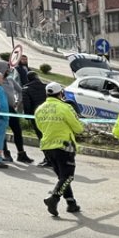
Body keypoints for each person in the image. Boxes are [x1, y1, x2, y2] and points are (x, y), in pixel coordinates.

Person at [34, 82, 84, 215]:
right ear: (60, 93)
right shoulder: (65, 107)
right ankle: (53, 198)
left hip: (47, 146)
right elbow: (78, 128)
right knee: (68, 176)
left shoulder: (40, 109)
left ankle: (71, 203)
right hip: (64, 146)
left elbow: (39, 127)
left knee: (63, 177)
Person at [0, 60, 33, 163]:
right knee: (2, 131)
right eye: (6, 68)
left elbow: (21, 90)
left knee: (17, 130)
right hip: (0, 110)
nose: (8, 70)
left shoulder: (10, 80)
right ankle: (5, 153)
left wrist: (18, 100)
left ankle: (21, 153)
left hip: (11, 109)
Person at [22, 72, 51, 166]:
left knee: (42, 138)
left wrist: (27, 116)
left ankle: (48, 159)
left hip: (36, 116)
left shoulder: (26, 89)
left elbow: (27, 104)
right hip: (49, 115)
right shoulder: (46, 87)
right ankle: (52, 158)